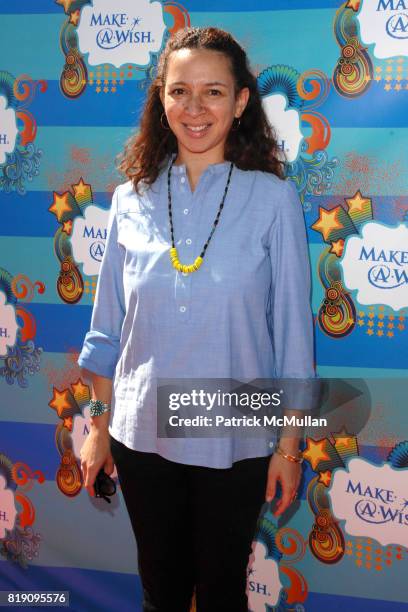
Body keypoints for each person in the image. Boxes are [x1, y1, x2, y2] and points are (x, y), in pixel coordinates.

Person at [78, 26, 315, 612]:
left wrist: (287, 448)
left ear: (240, 103)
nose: (194, 108)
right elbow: (107, 331)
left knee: (220, 595)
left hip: (234, 432)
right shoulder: (127, 199)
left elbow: (292, 334)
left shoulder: (273, 200)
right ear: (161, 99)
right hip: (139, 431)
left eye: (213, 92)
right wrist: (101, 427)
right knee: (160, 592)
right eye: (179, 91)